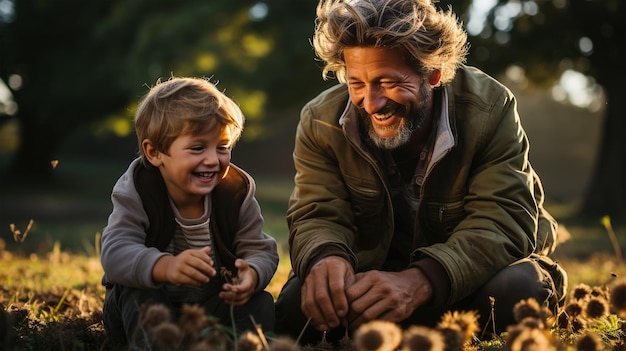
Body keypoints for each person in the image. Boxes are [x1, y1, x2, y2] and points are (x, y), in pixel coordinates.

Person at [274, 0, 567, 344]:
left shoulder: (490, 108)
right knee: (296, 306)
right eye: (357, 84)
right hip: (367, 286)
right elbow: (316, 211)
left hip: (462, 285)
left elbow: (502, 219)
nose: (371, 103)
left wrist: (421, 281)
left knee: (521, 288)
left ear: (433, 73)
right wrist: (326, 259)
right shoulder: (319, 121)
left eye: (386, 82)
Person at [100, 76, 279, 348]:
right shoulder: (138, 189)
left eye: (222, 147)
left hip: (207, 309)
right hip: (143, 310)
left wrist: (251, 274)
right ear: (155, 152)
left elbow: (261, 250)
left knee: (260, 303)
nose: (212, 159)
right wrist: (165, 266)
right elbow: (114, 252)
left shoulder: (235, 194)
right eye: (197, 148)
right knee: (139, 294)